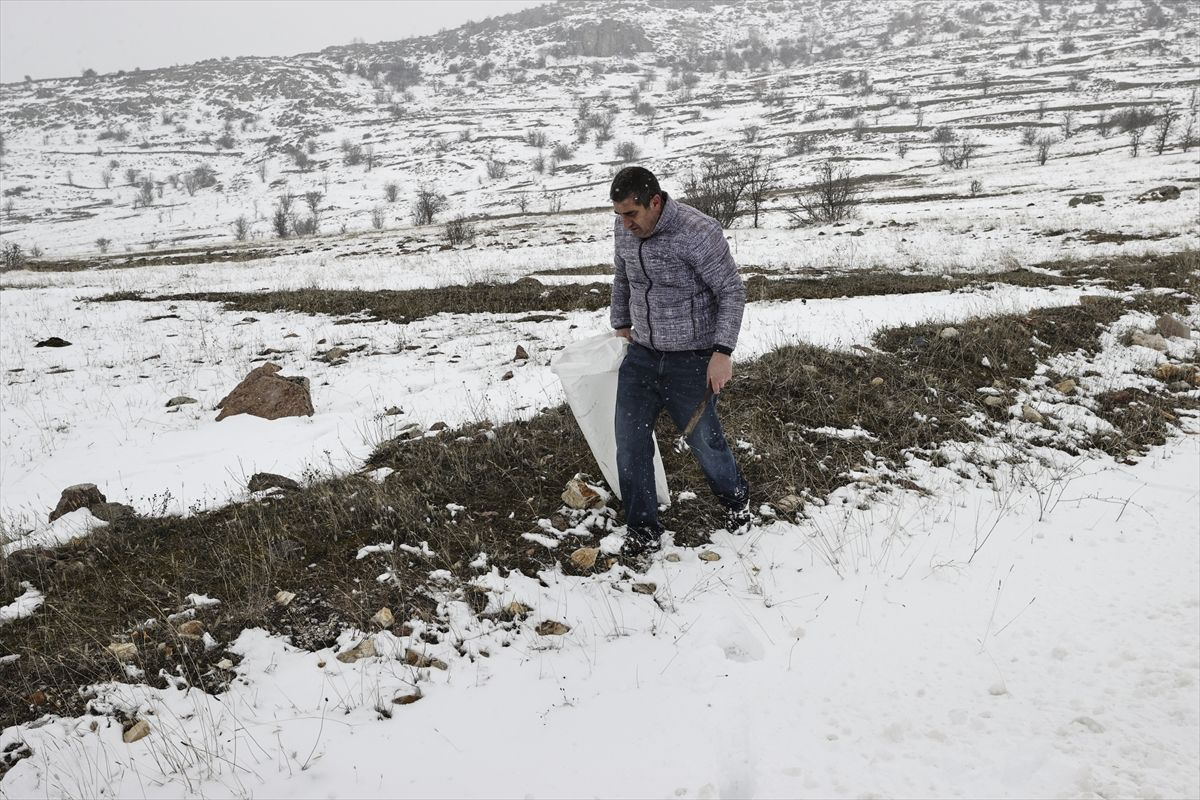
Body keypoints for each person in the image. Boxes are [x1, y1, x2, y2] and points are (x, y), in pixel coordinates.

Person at [609, 166, 751, 558]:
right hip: (641, 355)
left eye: (631, 214)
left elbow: (731, 291)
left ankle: (737, 501)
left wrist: (722, 352)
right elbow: (623, 276)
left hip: (691, 359)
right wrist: (620, 321)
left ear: (654, 202)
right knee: (630, 443)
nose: (625, 223)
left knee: (704, 440)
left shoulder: (697, 231)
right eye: (619, 215)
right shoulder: (625, 229)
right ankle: (643, 529)